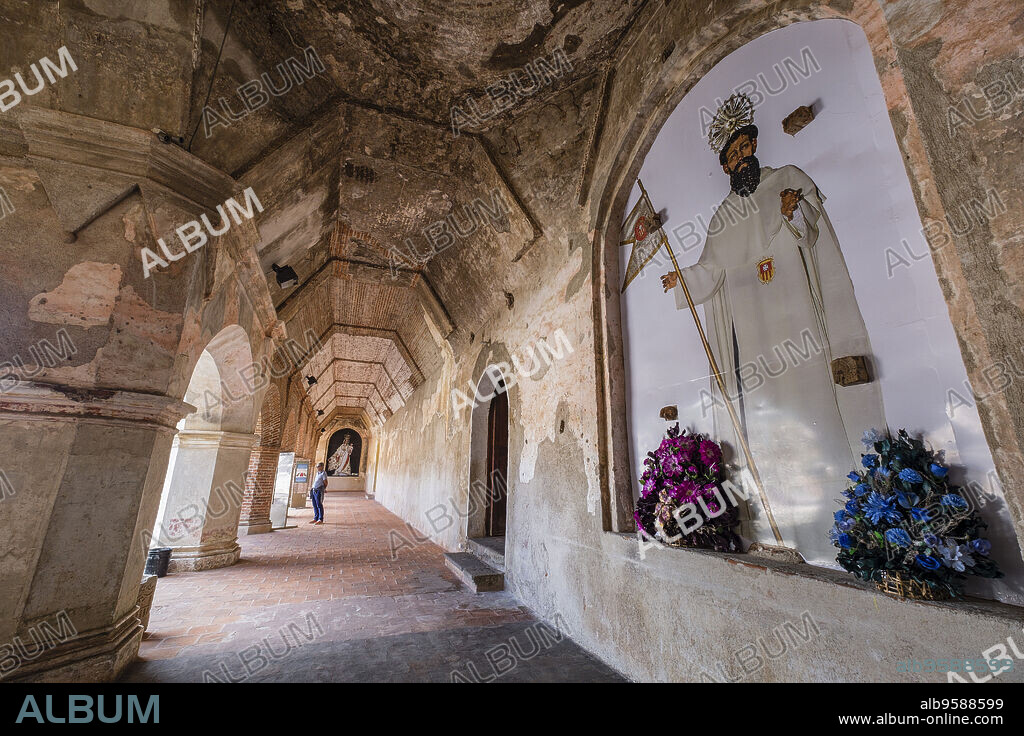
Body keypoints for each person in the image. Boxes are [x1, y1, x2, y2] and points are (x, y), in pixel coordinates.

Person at [660, 93, 885, 564]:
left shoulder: (787, 180)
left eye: (744, 148)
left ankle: (840, 531)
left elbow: (809, 228)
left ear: (755, 144)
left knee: (814, 406)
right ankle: (774, 523)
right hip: (751, 340)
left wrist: (790, 211)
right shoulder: (723, 217)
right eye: (731, 156)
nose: (739, 159)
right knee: (763, 426)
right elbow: (712, 271)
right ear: (724, 167)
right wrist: (682, 279)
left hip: (799, 319)